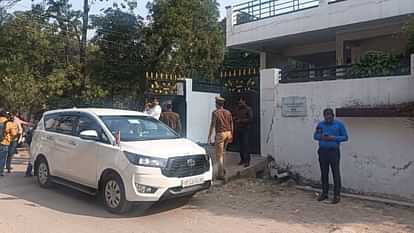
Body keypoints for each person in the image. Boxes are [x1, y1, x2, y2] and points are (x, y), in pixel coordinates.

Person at [313, 108, 349, 204]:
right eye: (326, 115)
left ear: (333, 116)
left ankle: (337, 195)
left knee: (335, 173)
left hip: (334, 152)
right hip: (322, 152)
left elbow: (345, 137)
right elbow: (315, 136)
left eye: (330, 115)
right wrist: (322, 137)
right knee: (324, 173)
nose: (328, 117)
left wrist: (334, 138)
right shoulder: (321, 124)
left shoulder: (339, 125)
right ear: (324, 116)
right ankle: (324, 193)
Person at [208, 96, 233, 182]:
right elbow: (231, 123)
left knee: (219, 155)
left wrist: (209, 136)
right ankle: (222, 169)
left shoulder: (215, 112)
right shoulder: (228, 112)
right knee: (222, 153)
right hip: (228, 133)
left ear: (217, 104)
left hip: (221, 134)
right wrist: (231, 134)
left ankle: (221, 174)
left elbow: (213, 124)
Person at [234, 96, 253, 168]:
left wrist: (241, 120)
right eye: (239, 101)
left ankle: (247, 161)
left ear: (244, 101)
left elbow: (251, 119)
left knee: (245, 145)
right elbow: (236, 116)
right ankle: (242, 160)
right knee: (240, 146)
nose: (240, 102)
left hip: (245, 130)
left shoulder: (248, 109)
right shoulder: (238, 109)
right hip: (238, 129)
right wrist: (235, 118)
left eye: (241, 101)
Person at [0, 111, 18, 176]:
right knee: (2, 158)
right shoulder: (9, 123)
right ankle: (1, 172)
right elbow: (13, 134)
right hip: (4, 142)